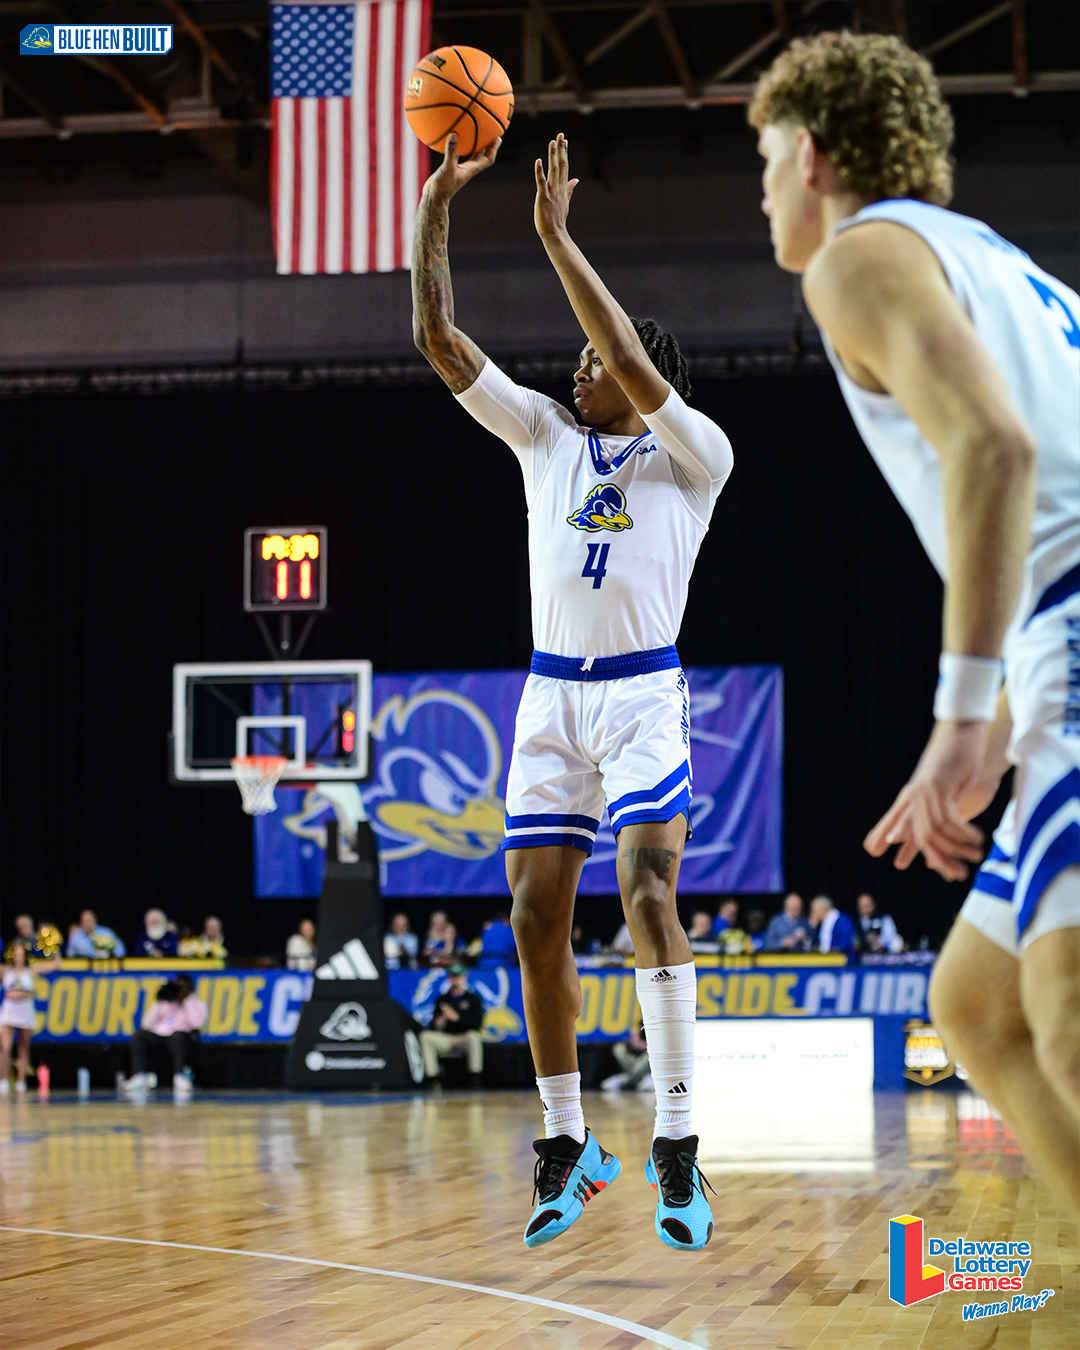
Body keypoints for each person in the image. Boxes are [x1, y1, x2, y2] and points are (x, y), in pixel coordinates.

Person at [751, 32, 1079, 1212]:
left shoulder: (855, 256)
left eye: (766, 164)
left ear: (814, 152)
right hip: (1056, 638)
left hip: (1074, 624)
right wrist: (997, 726)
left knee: (1068, 1004)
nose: (763, 193)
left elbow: (998, 452)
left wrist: (954, 719)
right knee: (977, 1008)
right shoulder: (989, 258)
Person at [413, 131, 731, 1252]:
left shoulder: (695, 454)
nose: (576, 367)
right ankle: (569, 1143)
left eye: (595, 359)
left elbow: (628, 361)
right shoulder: (544, 435)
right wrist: (434, 205)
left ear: (641, 372)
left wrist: (557, 238)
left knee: (648, 898)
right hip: (551, 701)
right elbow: (437, 338)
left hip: (643, 696)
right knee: (533, 918)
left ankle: (680, 1147)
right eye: (581, 359)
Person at [122, 974, 207, 1098]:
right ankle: (139, 1075)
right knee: (139, 1036)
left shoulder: (197, 1003)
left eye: (182, 987)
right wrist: (160, 1001)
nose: (179, 990)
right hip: (160, 1036)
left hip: (181, 1037)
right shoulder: (166, 1001)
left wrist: (185, 1000)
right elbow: (146, 1023)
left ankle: (180, 1076)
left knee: (178, 1037)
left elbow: (196, 1023)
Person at [0, 941, 59, 1094]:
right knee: (5, 1047)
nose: (18, 957)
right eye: (16, 954)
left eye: (21, 954)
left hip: (25, 1011)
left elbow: (55, 965)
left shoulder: (31, 970)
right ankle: (3, 1080)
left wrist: (54, 948)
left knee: (24, 1047)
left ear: (25, 956)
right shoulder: (6, 970)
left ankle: (21, 1081)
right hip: (9, 1011)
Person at [419, 964, 485, 1085]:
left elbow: (476, 1025)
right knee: (426, 1036)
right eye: (453, 976)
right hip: (447, 1038)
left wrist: (457, 1018)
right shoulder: (443, 999)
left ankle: (475, 1077)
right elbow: (433, 1026)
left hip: (463, 1037)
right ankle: (432, 1077)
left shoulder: (473, 999)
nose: (456, 980)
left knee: (473, 1037)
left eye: (459, 976)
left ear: (464, 978)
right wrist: (440, 1020)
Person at [601, 1024, 653, 1093]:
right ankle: (630, 1081)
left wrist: (645, 1046)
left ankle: (630, 1082)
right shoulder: (636, 1028)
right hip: (628, 1073)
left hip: (646, 1076)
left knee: (647, 1087)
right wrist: (635, 1042)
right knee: (606, 1085)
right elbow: (632, 1042)